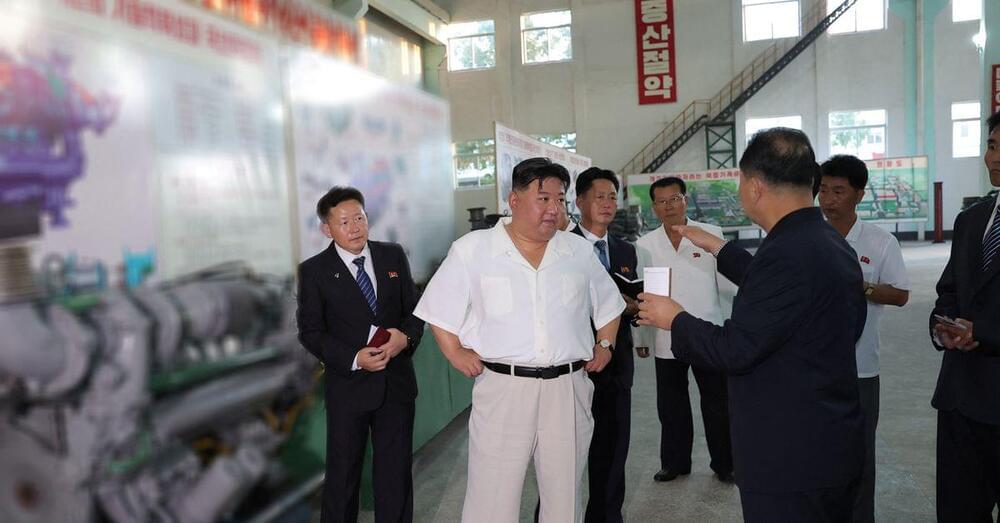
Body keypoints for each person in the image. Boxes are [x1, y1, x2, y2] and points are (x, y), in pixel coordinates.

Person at [636, 128, 866, 521]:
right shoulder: (824, 240)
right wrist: (720, 248)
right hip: (825, 438)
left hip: (789, 455)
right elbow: (780, 291)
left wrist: (674, 318)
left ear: (755, 186)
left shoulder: (786, 253)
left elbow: (735, 350)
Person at [414, 157, 624, 523]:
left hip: (567, 389)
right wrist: (455, 352)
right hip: (504, 389)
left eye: (559, 199)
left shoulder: (576, 251)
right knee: (492, 497)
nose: (554, 208)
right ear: (514, 200)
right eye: (543, 199)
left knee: (564, 498)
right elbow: (438, 310)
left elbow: (609, 305)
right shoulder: (473, 249)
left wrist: (605, 345)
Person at [296, 187, 424, 523]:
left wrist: (406, 338)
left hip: (395, 386)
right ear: (327, 229)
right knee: (342, 477)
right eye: (344, 222)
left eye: (359, 218)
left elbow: (414, 311)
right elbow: (311, 332)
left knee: (395, 476)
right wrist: (354, 357)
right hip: (348, 388)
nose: (355, 228)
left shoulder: (392, 255)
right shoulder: (314, 271)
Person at [818, 155, 909, 523]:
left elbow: (900, 294)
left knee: (859, 456)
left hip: (860, 369)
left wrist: (861, 286)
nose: (828, 200)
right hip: (812, 368)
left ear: (859, 194)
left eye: (839, 191)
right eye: (823, 190)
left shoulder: (880, 241)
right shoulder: (809, 237)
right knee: (815, 452)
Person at [634, 176, 735, 485]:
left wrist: (730, 330)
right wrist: (641, 338)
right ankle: (675, 463)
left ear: (685, 200)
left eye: (674, 199)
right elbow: (642, 296)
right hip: (665, 335)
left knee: (717, 402)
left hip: (708, 332)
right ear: (654, 207)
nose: (669, 206)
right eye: (662, 202)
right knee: (671, 404)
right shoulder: (645, 245)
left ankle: (725, 463)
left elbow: (727, 287)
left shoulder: (711, 234)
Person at [929, 111, 1000, 522]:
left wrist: (984, 332)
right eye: (992, 145)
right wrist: (943, 326)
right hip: (960, 399)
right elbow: (949, 290)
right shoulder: (972, 220)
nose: (995, 157)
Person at [571, 167, 639, 522]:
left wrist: (633, 308)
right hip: (573, 365)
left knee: (612, 452)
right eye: (600, 196)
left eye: (613, 196)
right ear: (579, 201)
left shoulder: (626, 250)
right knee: (563, 458)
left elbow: (635, 302)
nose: (608, 203)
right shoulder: (560, 246)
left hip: (616, 366)